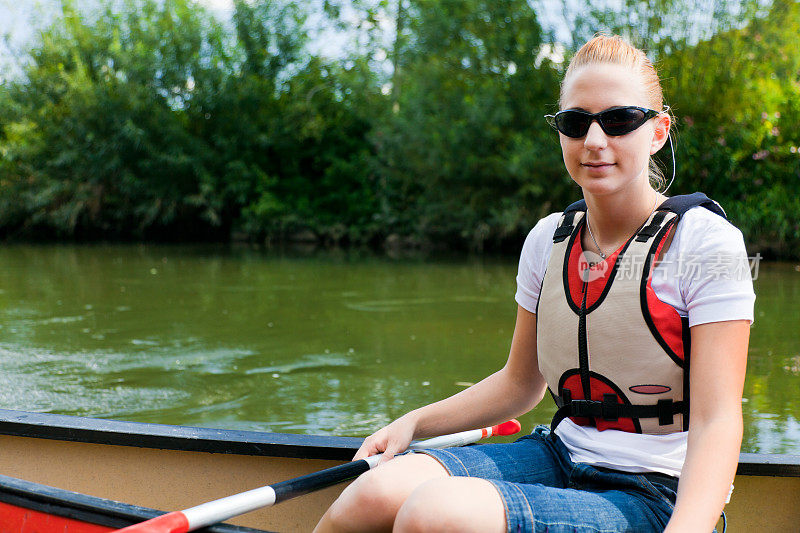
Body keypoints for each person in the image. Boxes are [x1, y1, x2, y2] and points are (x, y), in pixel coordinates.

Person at [314, 34, 754, 533]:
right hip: (558, 455)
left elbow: (719, 422)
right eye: (575, 122)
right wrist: (413, 423)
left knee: (434, 514)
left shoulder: (705, 243)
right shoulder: (548, 240)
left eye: (618, 120)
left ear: (657, 132)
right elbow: (520, 384)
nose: (594, 140)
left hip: (656, 489)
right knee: (370, 494)